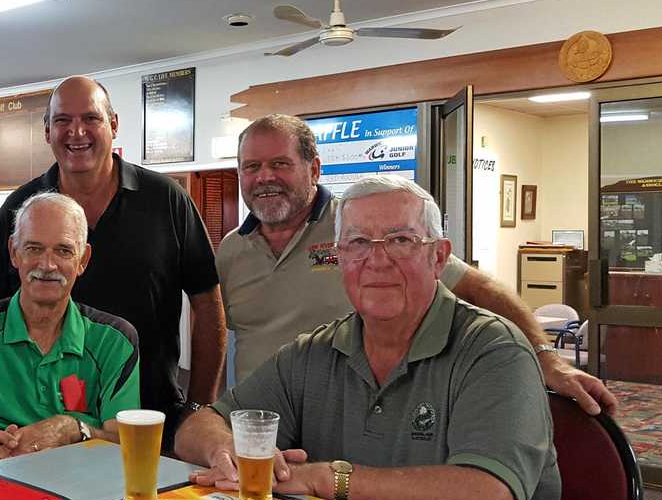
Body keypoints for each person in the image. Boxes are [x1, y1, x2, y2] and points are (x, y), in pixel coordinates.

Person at [177, 175, 562, 500]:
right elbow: (195, 428)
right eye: (358, 242)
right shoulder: (314, 352)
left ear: (438, 257)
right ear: (340, 258)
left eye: (400, 240)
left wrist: (325, 479)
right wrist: (226, 451)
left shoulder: (494, 351)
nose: (377, 260)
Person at [218, 114, 616, 415]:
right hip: (259, 429)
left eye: (280, 164)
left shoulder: (362, 226)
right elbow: (224, 339)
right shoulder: (231, 252)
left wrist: (545, 357)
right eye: (252, 167)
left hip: (359, 424)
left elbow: (480, 290)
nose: (265, 177)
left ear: (315, 169)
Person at [0, 76, 224, 442]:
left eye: (90, 118)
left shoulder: (166, 200)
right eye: (62, 121)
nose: (77, 132)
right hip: (38, 428)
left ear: (113, 124)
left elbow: (208, 307)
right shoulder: (19, 208)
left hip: (150, 420)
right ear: (47, 132)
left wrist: (200, 410)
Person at [0, 193, 140, 460]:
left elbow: (127, 447)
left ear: (83, 259)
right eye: (34, 249)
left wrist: (74, 428)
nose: (47, 265)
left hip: (83, 486)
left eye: (63, 250)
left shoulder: (115, 340)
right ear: (14, 252)